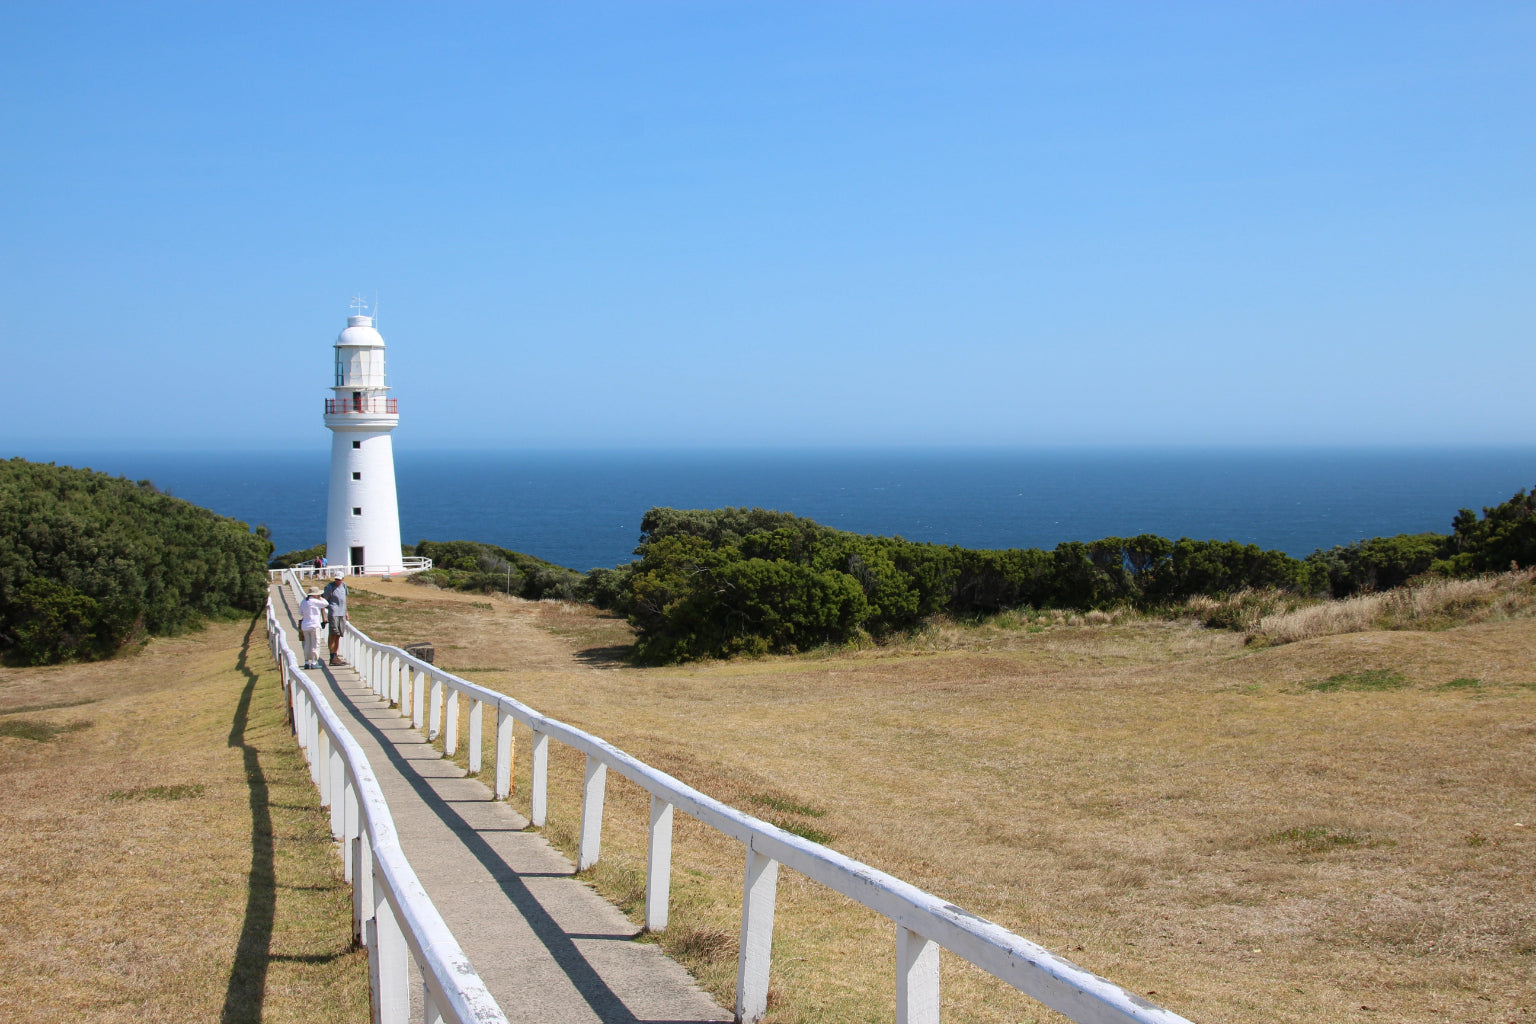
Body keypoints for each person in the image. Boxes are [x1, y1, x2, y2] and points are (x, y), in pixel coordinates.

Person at [298, 587, 328, 670]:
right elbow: (326, 604)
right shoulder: (314, 601)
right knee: (315, 644)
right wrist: (320, 598)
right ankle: (314, 662)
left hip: (305, 625)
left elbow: (300, 612)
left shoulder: (304, 601)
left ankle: (307, 662)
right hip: (314, 625)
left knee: (307, 644)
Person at [323, 576, 348, 666]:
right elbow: (323, 601)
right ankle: (332, 656)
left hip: (341, 614)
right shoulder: (329, 587)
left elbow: (344, 600)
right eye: (336, 579)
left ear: (342, 579)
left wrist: (346, 612)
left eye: (339, 579)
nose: (337, 581)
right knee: (333, 634)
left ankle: (335, 656)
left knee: (338, 635)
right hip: (333, 613)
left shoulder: (344, 586)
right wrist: (323, 617)